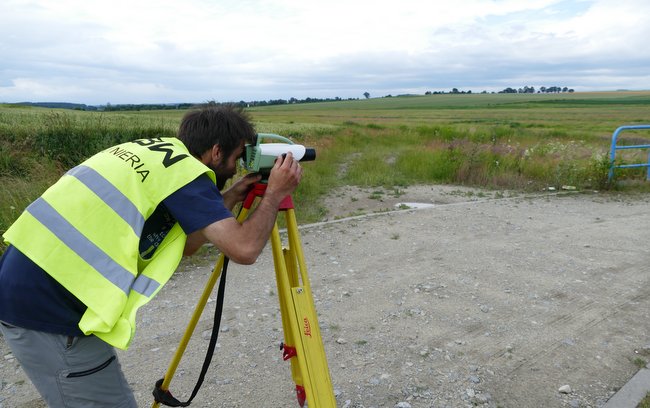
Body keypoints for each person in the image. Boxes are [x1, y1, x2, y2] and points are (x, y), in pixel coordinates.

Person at [0, 104, 302, 407]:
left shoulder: (159, 156)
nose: (237, 168)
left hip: (30, 284)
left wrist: (233, 195)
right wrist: (275, 193)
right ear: (216, 151)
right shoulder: (187, 175)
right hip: (50, 309)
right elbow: (245, 249)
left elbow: (187, 244)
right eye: (237, 157)